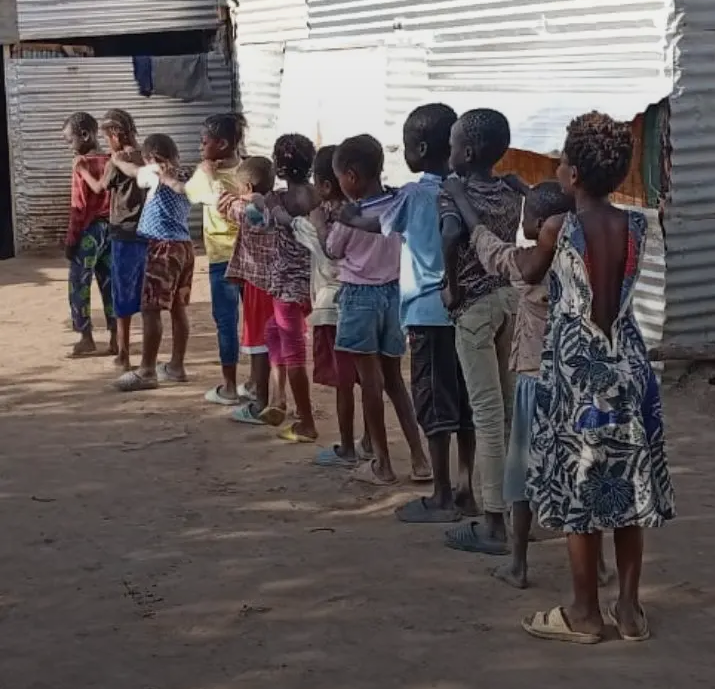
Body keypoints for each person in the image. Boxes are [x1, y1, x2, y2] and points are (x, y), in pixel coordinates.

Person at [497, 112, 675, 643]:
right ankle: (630, 611)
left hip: (579, 369)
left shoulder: (559, 228)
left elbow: (531, 271)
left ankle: (584, 614)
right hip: (628, 362)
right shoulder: (638, 224)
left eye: (562, 163)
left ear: (572, 174)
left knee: (582, 488)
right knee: (626, 483)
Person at [443, 179, 614, 589]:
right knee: (583, 470)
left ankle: (518, 563)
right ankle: (599, 565)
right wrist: (527, 190)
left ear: (538, 225)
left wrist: (462, 199)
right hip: (577, 383)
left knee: (520, 475)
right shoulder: (584, 260)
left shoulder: (527, 268)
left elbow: (487, 247)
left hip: (535, 382)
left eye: (526, 217)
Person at [439, 109, 522, 554]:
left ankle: (493, 523)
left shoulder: (454, 192)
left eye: (453, 144)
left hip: (473, 308)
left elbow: (452, 234)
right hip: (509, 302)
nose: (449, 151)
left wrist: (451, 286)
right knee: (508, 413)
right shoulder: (510, 192)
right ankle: (516, 512)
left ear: (467, 153)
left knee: (487, 416)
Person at [328, 134, 431, 485]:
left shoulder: (351, 214)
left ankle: (383, 464)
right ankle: (419, 459)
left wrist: (337, 220)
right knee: (394, 380)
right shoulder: (397, 203)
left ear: (351, 176)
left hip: (359, 296)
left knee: (370, 382)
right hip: (394, 294)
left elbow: (333, 249)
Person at [271, 145, 373, 466]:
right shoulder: (368, 213)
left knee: (344, 383)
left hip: (333, 309)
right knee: (370, 379)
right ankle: (371, 441)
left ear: (326, 185)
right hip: (369, 305)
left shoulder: (323, 219)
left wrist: (281, 214)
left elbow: (309, 237)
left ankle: (347, 448)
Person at [112, 134, 194, 392]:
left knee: (151, 309)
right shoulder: (187, 174)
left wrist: (117, 160)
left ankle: (147, 370)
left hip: (163, 248)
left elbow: (133, 171)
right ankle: (176, 366)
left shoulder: (155, 172)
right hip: (184, 247)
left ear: (151, 158)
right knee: (178, 308)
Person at [258, 133, 322, 443]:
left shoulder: (277, 200)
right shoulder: (319, 196)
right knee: (273, 331)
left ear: (278, 167)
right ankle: (278, 398)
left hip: (286, 287)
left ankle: (306, 421)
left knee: (293, 350)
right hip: (314, 283)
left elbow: (263, 225)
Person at [75, 109, 147, 370]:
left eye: (108, 138)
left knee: (122, 296)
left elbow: (99, 188)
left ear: (115, 135)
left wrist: (82, 170)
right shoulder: (145, 156)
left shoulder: (117, 160)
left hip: (123, 233)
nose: (107, 144)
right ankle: (145, 357)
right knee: (146, 296)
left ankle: (123, 354)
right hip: (147, 233)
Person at [184, 113, 245, 405]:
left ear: (221, 144)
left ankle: (230, 386)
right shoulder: (248, 171)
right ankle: (257, 384)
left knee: (226, 321)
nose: (200, 147)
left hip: (223, 258)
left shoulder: (208, 175)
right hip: (251, 259)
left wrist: (206, 173)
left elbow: (197, 194)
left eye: (203, 142)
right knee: (255, 322)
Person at [221, 156, 281, 424]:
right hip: (281, 285)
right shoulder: (280, 206)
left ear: (246, 187)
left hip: (258, 287)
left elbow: (227, 208)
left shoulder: (246, 210)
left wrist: (230, 197)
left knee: (259, 344)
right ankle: (279, 399)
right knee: (280, 344)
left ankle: (260, 401)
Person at [62, 112, 115, 358]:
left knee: (79, 284)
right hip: (111, 230)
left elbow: (79, 207)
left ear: (84, 135)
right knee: (110, 284)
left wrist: (71, 240)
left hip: (88, 232)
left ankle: (86, 337)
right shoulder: (112, 160)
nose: (69, 146)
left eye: (69, 140)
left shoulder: (81, 164)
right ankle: (116, 337)